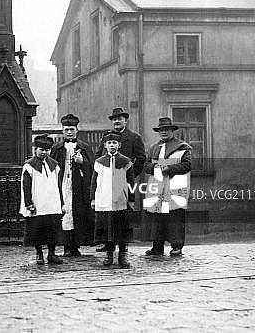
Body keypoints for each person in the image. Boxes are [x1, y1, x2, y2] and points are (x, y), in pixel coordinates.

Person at [143, 117, 192, 257]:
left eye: (166, 129)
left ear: (172, 131)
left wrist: (170, 169)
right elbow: (146, 166)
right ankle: (157, 247)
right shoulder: (153, 148)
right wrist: (154, 167)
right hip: (157, 187)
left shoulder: (182, 147)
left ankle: (177, 246)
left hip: (175, 187)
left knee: (174, 216)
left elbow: (187, 165)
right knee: (157, 217)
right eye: (161, 130)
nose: (163, 132)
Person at [50, 114, 94, 256]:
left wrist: (83, 162)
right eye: (66, 129)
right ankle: (66, 245)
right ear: (62, 130)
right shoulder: (57, 148)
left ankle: (76, 246)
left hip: (78, 186)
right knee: (65, 213)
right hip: (63, 184)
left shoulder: (84, 147)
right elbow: (51, 168)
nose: (69, 132)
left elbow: (93, 167)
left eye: (72, 129)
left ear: (77, 130)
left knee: (78, 213)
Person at [91, 132, 135, 268]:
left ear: (119, 145)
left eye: (114, 143)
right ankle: (109, 254)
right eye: (109, 143)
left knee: (121, 229)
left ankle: (122, 255)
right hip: (104, 200)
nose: (112, 145)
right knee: (107, 230)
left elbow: (131, 182)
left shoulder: (126, 161)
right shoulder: (99, 162)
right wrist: (93, 198)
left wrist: (131, 199)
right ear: (105, 145)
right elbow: (94, 182)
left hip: (120, 200)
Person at [20, 134, 63, 266]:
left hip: (52, 203)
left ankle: (51, 253)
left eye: (47, 150)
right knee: (37, 230)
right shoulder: (29, 166)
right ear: (35, 150)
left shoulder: (54, 165)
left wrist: (62, 202)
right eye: (41, 150)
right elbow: (26, 186)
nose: (44, 152)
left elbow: (58, 184)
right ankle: (39, 254)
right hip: (38, 203)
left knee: (52, 229)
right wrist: (29, 203)